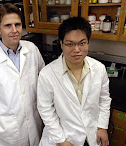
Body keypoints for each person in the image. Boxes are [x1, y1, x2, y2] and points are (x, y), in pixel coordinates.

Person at [0, 3, 45, 146]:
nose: (14, 30)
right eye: (8, 26)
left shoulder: (31, 49)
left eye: (17, 24)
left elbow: (43, 78)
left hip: (35, 119)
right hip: (8, 129)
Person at [37, 16, 111, 146]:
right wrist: (60, 140)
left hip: (91, 135)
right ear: (61, 44)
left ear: (88, 42)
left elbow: (104, 99)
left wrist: (102, 126)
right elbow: (45, 109)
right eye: (70, 44)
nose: (76, 50)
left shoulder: (99, 69)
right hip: (63, 136)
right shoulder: (47, 74)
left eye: (82, 43)